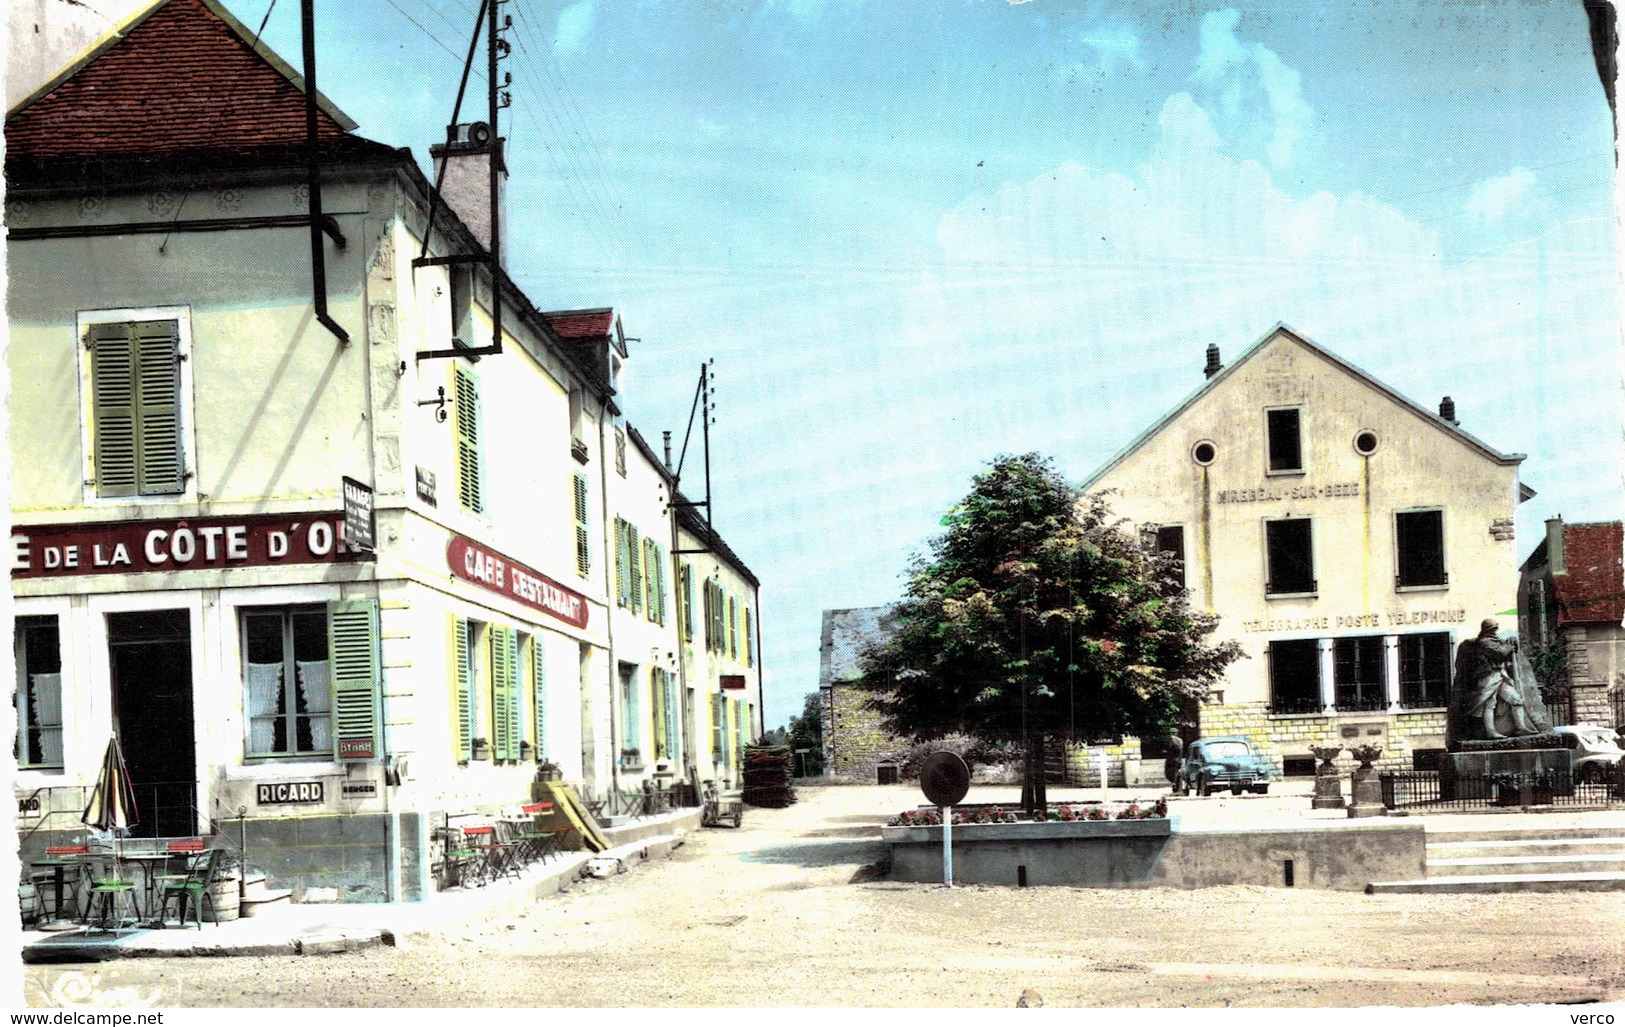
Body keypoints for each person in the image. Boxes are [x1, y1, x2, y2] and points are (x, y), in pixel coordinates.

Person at [1454, 619, 1536, 740]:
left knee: (1516, 700)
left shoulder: (1495, 641)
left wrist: (1512, 640)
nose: (1495, 631)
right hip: (1488, 676)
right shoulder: (1484, 642)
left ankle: (1520, 727)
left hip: (1500, 675)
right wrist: (1509, 645)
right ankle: (1490, 731)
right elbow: (1500, 652)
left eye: (1495, 629)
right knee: (1489, 704)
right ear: (1487, 629)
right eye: (1493, 629)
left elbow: (1506, 650)